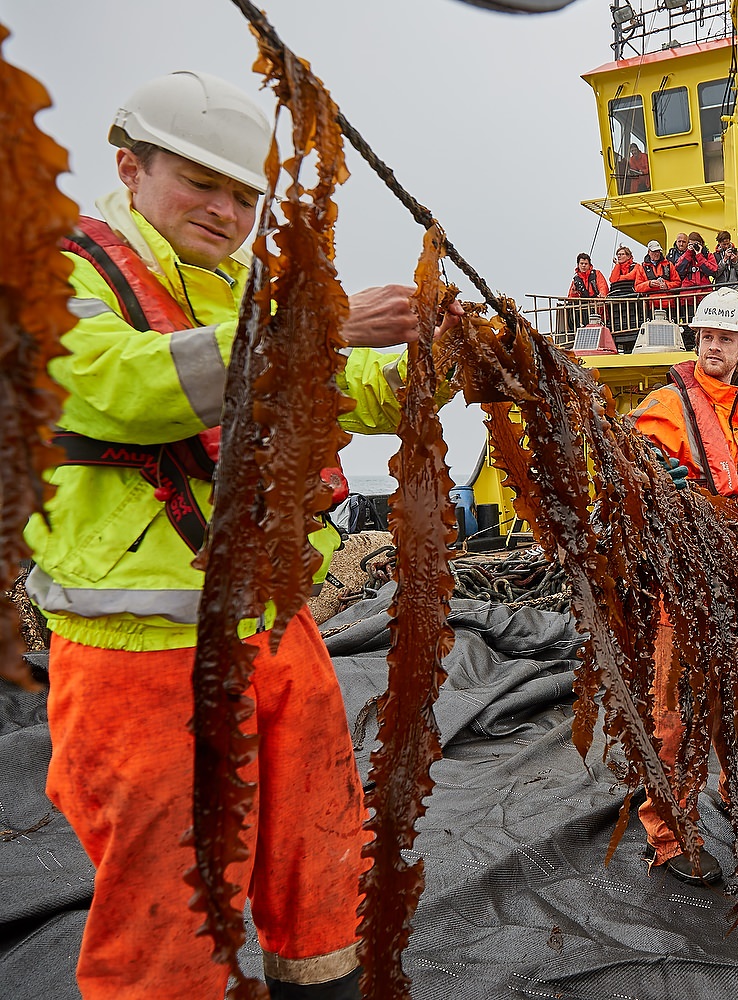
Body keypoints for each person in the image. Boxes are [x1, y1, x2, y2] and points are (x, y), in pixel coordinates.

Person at [25, 71, 458, 999]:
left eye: (243, 196)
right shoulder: (67, 277)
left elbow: (323, 391)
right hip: (139, 655)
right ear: (129, 168)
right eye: (200, 183)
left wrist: (428, 369)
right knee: (169, 911)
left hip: (271, 623)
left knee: (321, 859)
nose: (225, 211)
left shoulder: (237, 293)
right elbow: (119, 385)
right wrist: (320, 324)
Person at [627, 287, 738, 884]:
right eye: (706, 337)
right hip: (686, 578)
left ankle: (737, 787)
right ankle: (670, 837)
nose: (713, 347)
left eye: (725, 339)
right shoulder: (667, 404)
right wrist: (652, 473)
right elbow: (630, 479)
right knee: (674, 712)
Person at [607, 244, 644, 349]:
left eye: (622, 254)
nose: (619, 256)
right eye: (618, 254)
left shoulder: (636, 266)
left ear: (628, 256)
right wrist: (617, 265)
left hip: (632, 301)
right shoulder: (617, 267)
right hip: (619, 303)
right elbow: (613, 279)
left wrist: (620, 277)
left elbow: (632, 276)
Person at [562, 250, 607, 336]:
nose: (583, 266)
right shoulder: (576, 279)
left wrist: (602, 295)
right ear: (578, 265)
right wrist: (574, 292)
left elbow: (602, 286)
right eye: (581, 263)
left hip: (596, 307)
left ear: (589, 265)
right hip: (582, 309)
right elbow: (570, 297)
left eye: (585, 264)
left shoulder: (596, 274)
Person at [631, 239, 681, 316]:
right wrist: (649, 284)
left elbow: (677, 282)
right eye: (654, 251)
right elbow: (637, 287)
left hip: (669, 305)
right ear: (649, 252)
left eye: (658, 251)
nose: (656, 254)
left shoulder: (669, 264)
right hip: (652, 306)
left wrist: (667, 286)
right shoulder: (642, 267)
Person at [672, 231, 718, 309]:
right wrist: (688, 252)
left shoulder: (707, 255)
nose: (694, 246)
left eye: (696, 244)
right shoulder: (685, 255)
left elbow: (713, 270)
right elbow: (678, 269)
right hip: (688, 297)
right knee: (688, 320)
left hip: (704, 295)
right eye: (691, 244)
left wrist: (699, 255)